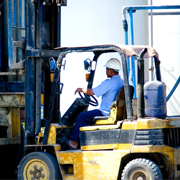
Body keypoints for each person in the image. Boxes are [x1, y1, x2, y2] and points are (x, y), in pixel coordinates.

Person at [68, 58, 124, 149]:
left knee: (82, 116)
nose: (106, 71)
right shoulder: (121, 82)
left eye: (106, 69)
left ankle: (74, 142)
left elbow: (92, 92)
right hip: (115, 112)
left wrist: (81, 90)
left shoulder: (109, 83)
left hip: (105, 112)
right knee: (88, 116)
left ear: (111, 70)